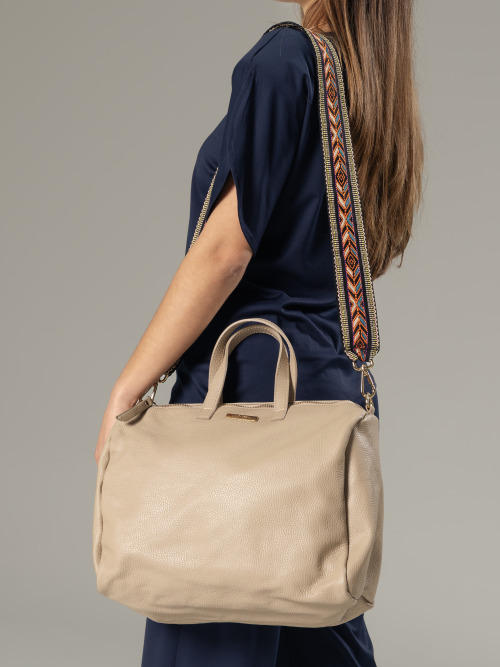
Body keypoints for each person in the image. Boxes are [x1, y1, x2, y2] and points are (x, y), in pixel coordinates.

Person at [94, 0, 423, 665]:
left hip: (239, 413)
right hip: (327, 413)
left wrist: (126, 391)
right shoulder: (373, 90)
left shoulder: (286, 61)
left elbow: (224, 251)